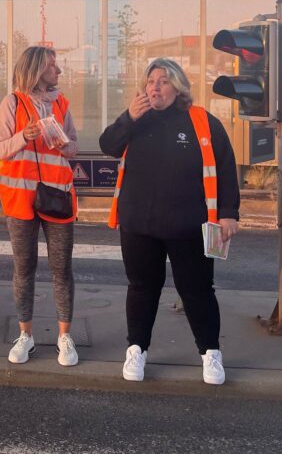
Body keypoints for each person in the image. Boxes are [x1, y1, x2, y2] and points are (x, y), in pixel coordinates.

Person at [100, 57, 239, 385]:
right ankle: (137, 349)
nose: (155, 87)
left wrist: (229, 213)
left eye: (163, 81)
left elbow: (225, 167)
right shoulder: (136, 119)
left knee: (198, 290)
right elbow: (108, 146)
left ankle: (210, 352)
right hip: (139, 223)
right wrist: (129, 117)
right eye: (150, 81)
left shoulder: (202, 121)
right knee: (141, 288)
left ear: (178, 87)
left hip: (189, 225)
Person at [0, 46, 80, 366]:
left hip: (57, 197)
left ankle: (65, 336)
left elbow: (73, 148)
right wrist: (23, 136)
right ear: (36, 70)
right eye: (53, 66)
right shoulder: (12, 103)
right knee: (24, 268)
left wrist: (64, 145)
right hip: (21, 200)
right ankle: (25, 335)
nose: (58, 71)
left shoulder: (62, 103)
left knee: (62, 269)